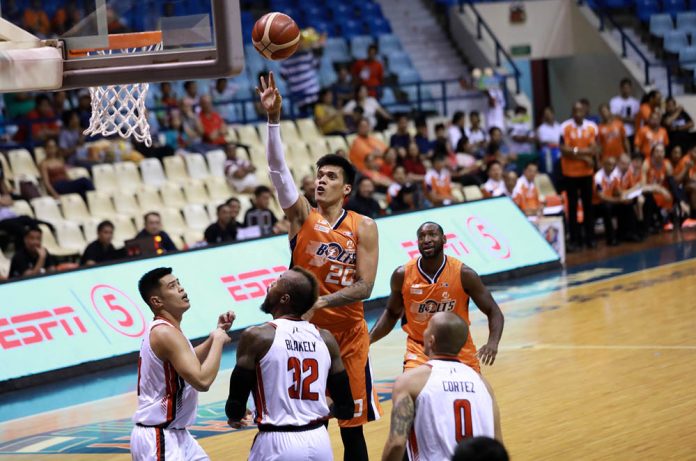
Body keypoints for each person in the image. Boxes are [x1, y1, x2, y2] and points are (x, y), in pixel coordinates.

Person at [257, 72, 383, 461]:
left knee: (352, 429)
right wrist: (273, 121)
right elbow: (278, 173)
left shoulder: (364, 226)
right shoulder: (301, 217)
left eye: (331, 176)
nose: (320, 180)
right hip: (304, 337)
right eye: (319, 175)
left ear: (347, 188)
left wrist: (321, 304)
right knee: (306, 426)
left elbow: (366, 287)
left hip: (348, 336)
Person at [225, 267, 355, 460]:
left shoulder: (256, 336)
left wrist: (235, 415)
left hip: (277, 442)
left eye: (277, 282)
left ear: (284, 299)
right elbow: (346, 408)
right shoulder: (325, 338)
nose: (269, 285)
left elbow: (235, 403)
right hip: (319, 440)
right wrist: (310, 411)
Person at [370, 221, 504, 371]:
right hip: (420, 349)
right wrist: (367, 340)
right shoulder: (402, 275)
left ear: (444, 239)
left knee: (472, 394)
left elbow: (493, 310)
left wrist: (492, 343)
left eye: (432, 235)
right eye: (422, 237)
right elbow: (391, 314)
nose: (426, 240)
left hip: (459, 348)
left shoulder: (464, 274)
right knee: (409, 389)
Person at [130, 267, 234, 461]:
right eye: (172, 286)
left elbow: (187, 359)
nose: (181, 289)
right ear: (157, 301)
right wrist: (219, 341)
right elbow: (202, 381)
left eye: (179, 283)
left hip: (177, 434)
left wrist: (213, 336)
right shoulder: (165, 333)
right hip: (159, 437)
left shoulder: (169, 330)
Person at [380, 312, 502, 461]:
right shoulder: (483, 384)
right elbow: (497, 444)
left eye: (427, 328)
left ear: (431, 340)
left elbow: (397, 444)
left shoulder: (410, 382)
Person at [560, 101, 599, 251]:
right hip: (570, 172)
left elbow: (594, 149)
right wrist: (583, 155)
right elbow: (564, 150)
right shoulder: (565, 127)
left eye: (581, 110)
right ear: (572, 112)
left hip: (586, 173)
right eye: (575, 110)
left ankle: (590, 238)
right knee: (573, 207)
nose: (578, 113)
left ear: (585, 111)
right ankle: (575, 240)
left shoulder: (592, 127)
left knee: (589, 206)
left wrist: (575, 151)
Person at [594, 157, 639, 246]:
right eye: (609, 164)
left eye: (613, 165)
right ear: (603, 165)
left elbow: (618, 191)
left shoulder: (614, 176)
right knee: (607, 208)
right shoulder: (598, 177)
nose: (611, 167)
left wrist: (624, 198)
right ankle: (611, 239)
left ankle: (628, 233)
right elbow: (602, 197)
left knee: (627, 205)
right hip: (597, 204)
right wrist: (618, 200)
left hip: (611, 201)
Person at [610, 78, 640, 145]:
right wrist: (629, 119)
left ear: (631, 88)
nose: (626, 90)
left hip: (631, 132)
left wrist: (621, 118)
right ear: (620, 88)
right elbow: (613, 117)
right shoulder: (614, 101)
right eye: (624, 88)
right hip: (618, 131)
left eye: (628, 88)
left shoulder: (635, 102)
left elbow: (637, 119)